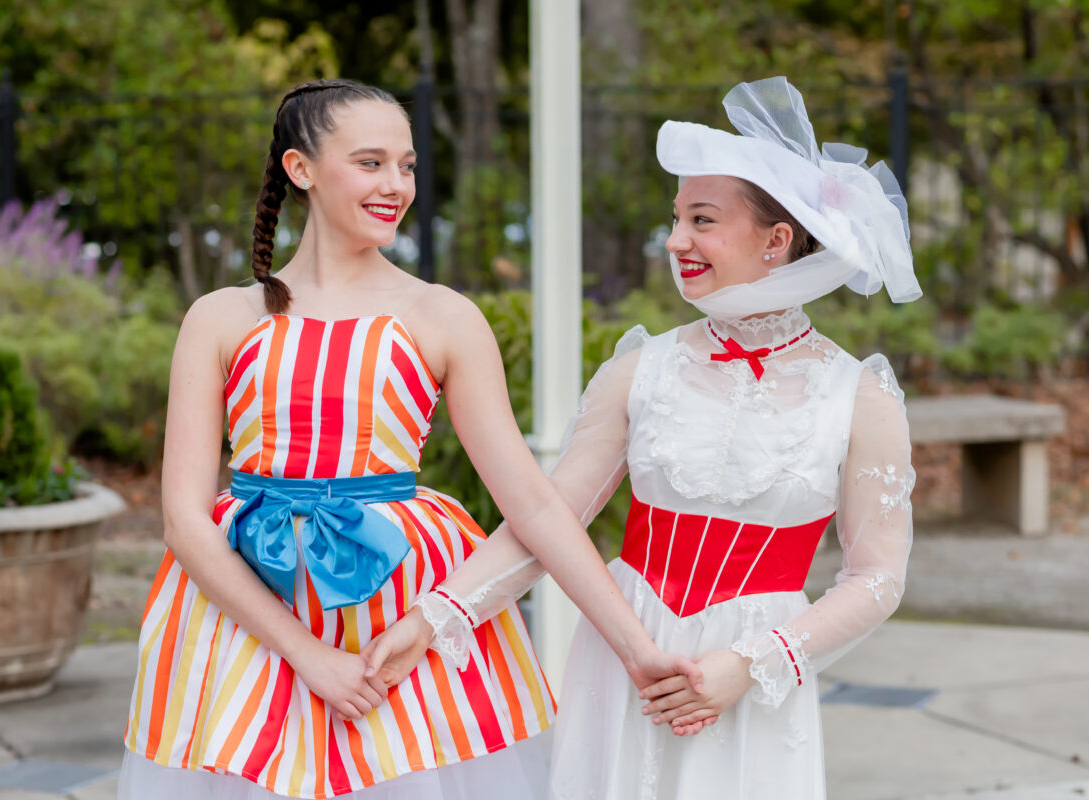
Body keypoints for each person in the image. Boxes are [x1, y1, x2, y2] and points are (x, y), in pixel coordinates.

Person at [119, 78, 699, 800]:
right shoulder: (221, 317)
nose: (396, 184)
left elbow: (536, 507)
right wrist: (310, 658)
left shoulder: (441, 316)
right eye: (370, 163)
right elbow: (183, 521)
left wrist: (638, 651)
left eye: (408, 165)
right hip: (245, 623)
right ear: (301, 170)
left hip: (396, 616)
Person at [364, 76, 919, 799]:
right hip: (624, 653)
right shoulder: (641, 369)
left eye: (702, 220)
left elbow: (878, 576)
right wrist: (434, 618)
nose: (677, 240)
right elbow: (546, 520)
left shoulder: (860, 396)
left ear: (777, 240)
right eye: (676, 218)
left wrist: (751, 664)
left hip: (754, 675)